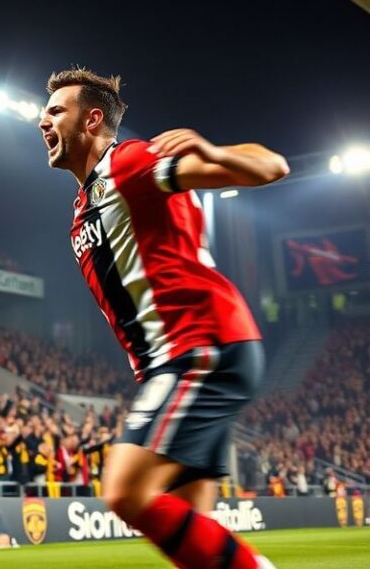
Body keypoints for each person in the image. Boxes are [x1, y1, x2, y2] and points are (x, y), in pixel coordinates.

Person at [38, 67, 289, 569]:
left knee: (125, 491)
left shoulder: (129, 163)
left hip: (200, 348)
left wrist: (213, 154)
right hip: (185, 358)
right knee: (192, 536)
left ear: (91, 120)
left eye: (55, 110)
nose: (42, 120)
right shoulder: (84, 205)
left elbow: (271, 166)